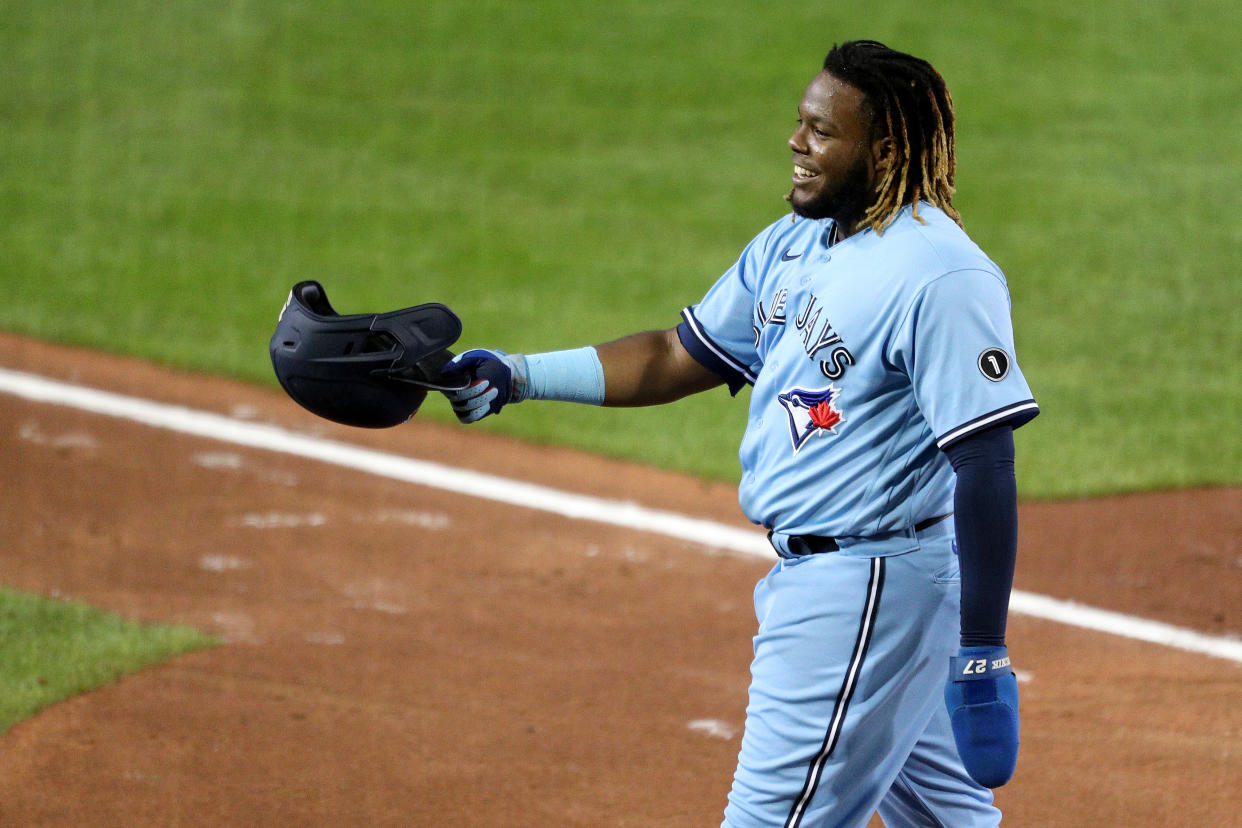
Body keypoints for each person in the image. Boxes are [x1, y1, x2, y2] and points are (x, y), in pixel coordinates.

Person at [443, 39, 1038, 828]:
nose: (796, 143)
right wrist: (517, 374)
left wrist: (984, 649)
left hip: (866, 589)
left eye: (822, 131)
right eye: (800, 122)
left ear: (885, 148)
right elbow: (672, 355)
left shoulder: (939, 274)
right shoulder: (795, 243)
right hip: (845, 581)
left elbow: (987, 461)